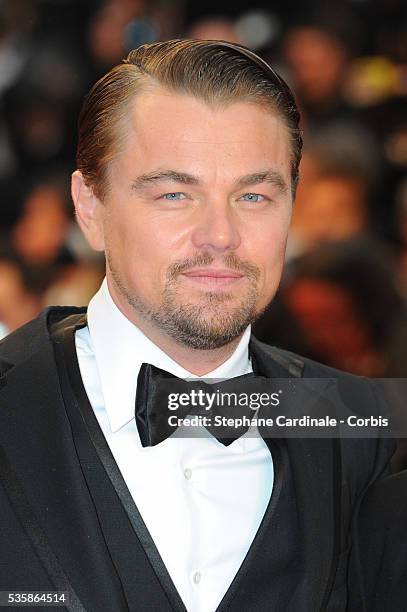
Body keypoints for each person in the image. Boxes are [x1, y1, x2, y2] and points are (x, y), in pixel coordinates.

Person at [0, 39, 395, 612]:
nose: (220, 234)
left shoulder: (365, 435)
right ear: (90, 207)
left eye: (254, 195)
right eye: (175, 193)